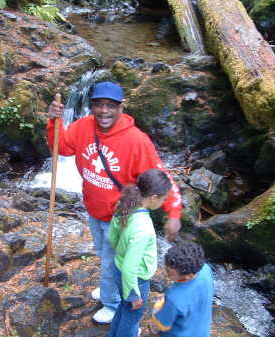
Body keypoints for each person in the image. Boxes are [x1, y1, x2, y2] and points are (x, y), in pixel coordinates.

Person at [47, 81, 182, 323]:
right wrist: (54, 122)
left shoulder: (136, 141)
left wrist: (173, 212)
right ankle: (110, 289)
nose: (104, 111)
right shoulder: (83, 126)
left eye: (110, 105)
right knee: (104, 256)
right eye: (99, 105)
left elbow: (160, 176)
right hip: (94, 208)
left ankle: (112, 303)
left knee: (112, 263)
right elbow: (63, 148)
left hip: (121, 216)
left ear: (121, 107)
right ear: (92, 106)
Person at [107, 168, 172, 337]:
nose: (164, 202)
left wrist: (120, 252)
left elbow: (112, 234)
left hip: (117, 267)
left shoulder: (126, 203)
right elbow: (130, 267)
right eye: (164, 198)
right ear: (154, 198)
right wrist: (134, 295)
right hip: (134, 280)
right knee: (132, 316)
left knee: (123, 307)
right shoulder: (144, 228)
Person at [152, 241, 214, 337]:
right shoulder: (206, 269)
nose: (165, 272)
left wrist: (159, 304)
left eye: (170, 273)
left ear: (189, 276)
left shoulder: (174, 297)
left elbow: (162, 324)